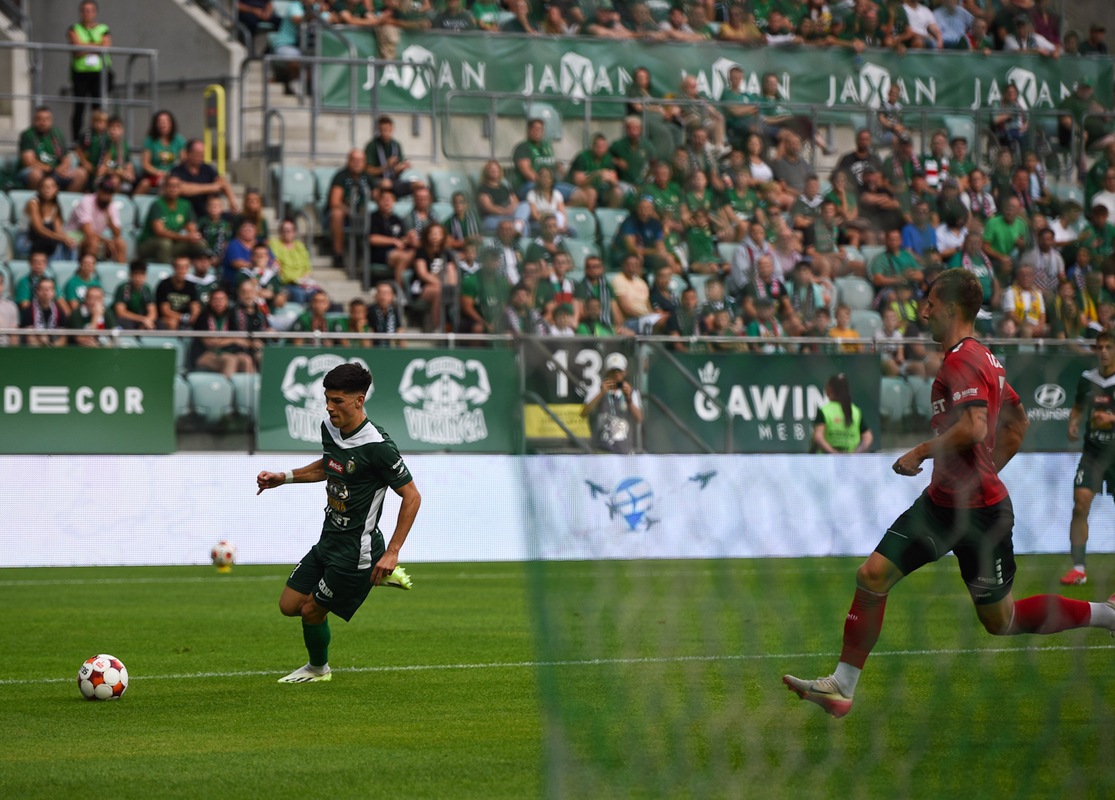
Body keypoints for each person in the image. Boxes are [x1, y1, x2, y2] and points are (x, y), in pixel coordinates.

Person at [783, 269, 1115, 719]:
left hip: (982, 515)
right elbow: (1017, 425)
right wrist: (981, 470)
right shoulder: (986, 359)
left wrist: (921, 452)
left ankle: (1106, 614)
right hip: (940, 505)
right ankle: (842, 686)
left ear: (952, 307)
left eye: (930, 302)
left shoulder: (963, 360)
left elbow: (977, 427)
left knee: (1002, 621)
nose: (923, 311)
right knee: (872, 576)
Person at [256, 363, 418, 684]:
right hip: (328, 540)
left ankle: (318, 669)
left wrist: (393, 551)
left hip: (355, 553)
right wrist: (283, 477)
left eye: (337, 401)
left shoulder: (378, 447)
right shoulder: (329, 428)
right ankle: (374, 576)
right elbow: (329, 466)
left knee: (310, 611)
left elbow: (412, 497)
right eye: (327, 399)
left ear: (359, 400)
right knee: (289, 605)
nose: (329, 407)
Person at [1062, 332, 1115, 586]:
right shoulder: (1087, 379)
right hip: (1092, 453)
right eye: (1099, 347)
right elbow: (1078, 406)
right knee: (1080, 505)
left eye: (1108, 347)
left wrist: (1111, 419)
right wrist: (1073, 422)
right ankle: (1078, 569)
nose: (1103, 352)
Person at [67, 0, 113, 141]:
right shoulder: (74, 28)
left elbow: (106, 46)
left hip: (99, 73)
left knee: (98, 108)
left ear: (95, 12)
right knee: (79, 107)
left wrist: (85, 46)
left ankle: (98, 139)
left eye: (90, 10)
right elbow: (76, 49)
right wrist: (96, 46)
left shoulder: (103, 28)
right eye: (84, 10)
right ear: (80, 12)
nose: (87, 13)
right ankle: (76, 141)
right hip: (80, 73)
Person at [581, 352, 642, 454]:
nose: (616, 374)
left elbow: (639, 418)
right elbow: (584, 413)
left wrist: (629, 399)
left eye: (619, 371)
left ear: (625, 372)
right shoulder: (596, 389)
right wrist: (601, 393)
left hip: (623, 450)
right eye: (613, 371)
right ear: (607, 372)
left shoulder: (632, 392)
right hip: (601, 449)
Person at [137, 174, 206, 263]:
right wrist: (185, 238)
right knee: (165, 243)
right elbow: (160, 232)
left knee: (199, 243)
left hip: (174, 243)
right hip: (150, 244)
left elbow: (191, 227)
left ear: (180, 188)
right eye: (170, 186)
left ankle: (200, 269)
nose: (173, 189)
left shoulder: (185, 205)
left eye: (176, 186)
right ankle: (164, 270)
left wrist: (193, 236)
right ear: (164, 188)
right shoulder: (157, 205)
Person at [19, 106, 87, 191]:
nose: (43, 122)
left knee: (81, 173)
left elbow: (66, 158)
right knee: (35, 174)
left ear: (51, 120)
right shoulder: (28, 134)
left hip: (56, 171)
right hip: (37, 171)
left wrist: (62, 168)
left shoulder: (57, 133)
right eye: (40, 119)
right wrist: (52, 170)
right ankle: (38, 198)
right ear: (34, 120)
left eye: (46, 119)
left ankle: (64, 199)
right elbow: (29, 162)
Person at [171, 139, 238, 219]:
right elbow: (182, 188)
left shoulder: (207, 169)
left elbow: (222, 182)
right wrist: (212, 187)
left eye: (203, 154)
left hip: (206, 213)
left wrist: (231, 199)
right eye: (198, 153)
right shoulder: (178, 170)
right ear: (189, 153)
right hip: (185, 214)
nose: (201, 156)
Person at [66, 176, 126, 262]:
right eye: (104, 192)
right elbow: (88, 232)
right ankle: (89, 268)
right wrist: (106, 241)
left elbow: (117, 234)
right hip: (75, 236)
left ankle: (121, 269)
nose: (106, 195)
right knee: (93, 242)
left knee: (120, 243)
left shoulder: (111, 206)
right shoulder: (87, 201)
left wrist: (108, 215)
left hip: (96, 237)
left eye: (109, 193)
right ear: (98, 191)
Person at [812, 373, 873, 454]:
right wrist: (855, 453)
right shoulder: (856, 411)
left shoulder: (824, 410)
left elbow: (818, 436)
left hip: (826, 460)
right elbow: (868, 437)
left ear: (829, 389)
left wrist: (833, 452)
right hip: (849, 460)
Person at [364, 115, 421, 198]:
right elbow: (368, 171)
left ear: (392, 129)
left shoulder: (396, 145)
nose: (385, 133)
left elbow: (396, 170)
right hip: (378, 181)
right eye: (382, 130)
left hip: (394, 181)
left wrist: (402, 167)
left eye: (387, 130)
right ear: (379, 130)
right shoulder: (372, 145)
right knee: (385, 184)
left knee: (419, 185)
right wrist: (386, 166)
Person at [135, 110, 186, 196]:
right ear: (156, 124)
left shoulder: (179, 140)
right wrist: (158, 173)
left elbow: (184, 161)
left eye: (166, 121)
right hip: (154, 174)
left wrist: (173, 174)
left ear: (171, 124)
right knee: (144, 183)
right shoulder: (150, 140)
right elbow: (145, 164)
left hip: (173, 175)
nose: (163, 124)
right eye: (160, 122)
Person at [156, 255, 201, 330]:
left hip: (186, 318)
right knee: (172, 322)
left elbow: (195, 306)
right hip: (166, 319)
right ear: (174, 268)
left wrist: (194, 316)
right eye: (179, 267)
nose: (182, 270)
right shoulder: (164, 285)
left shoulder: (191, 286)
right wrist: (183, 318)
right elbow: (165, 311)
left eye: (185, 267)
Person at [113, 260, 157, 331]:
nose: (139, 278)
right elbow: (121, 312)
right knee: (124, 323)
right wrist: (142, 319)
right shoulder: (124, 288)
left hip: (142, 320)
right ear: (130, 275)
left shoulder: (147, 289)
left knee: (158, 324)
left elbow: (152, 311)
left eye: (142, 274)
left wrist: (148, 320)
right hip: (129, 319)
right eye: (136, 274)